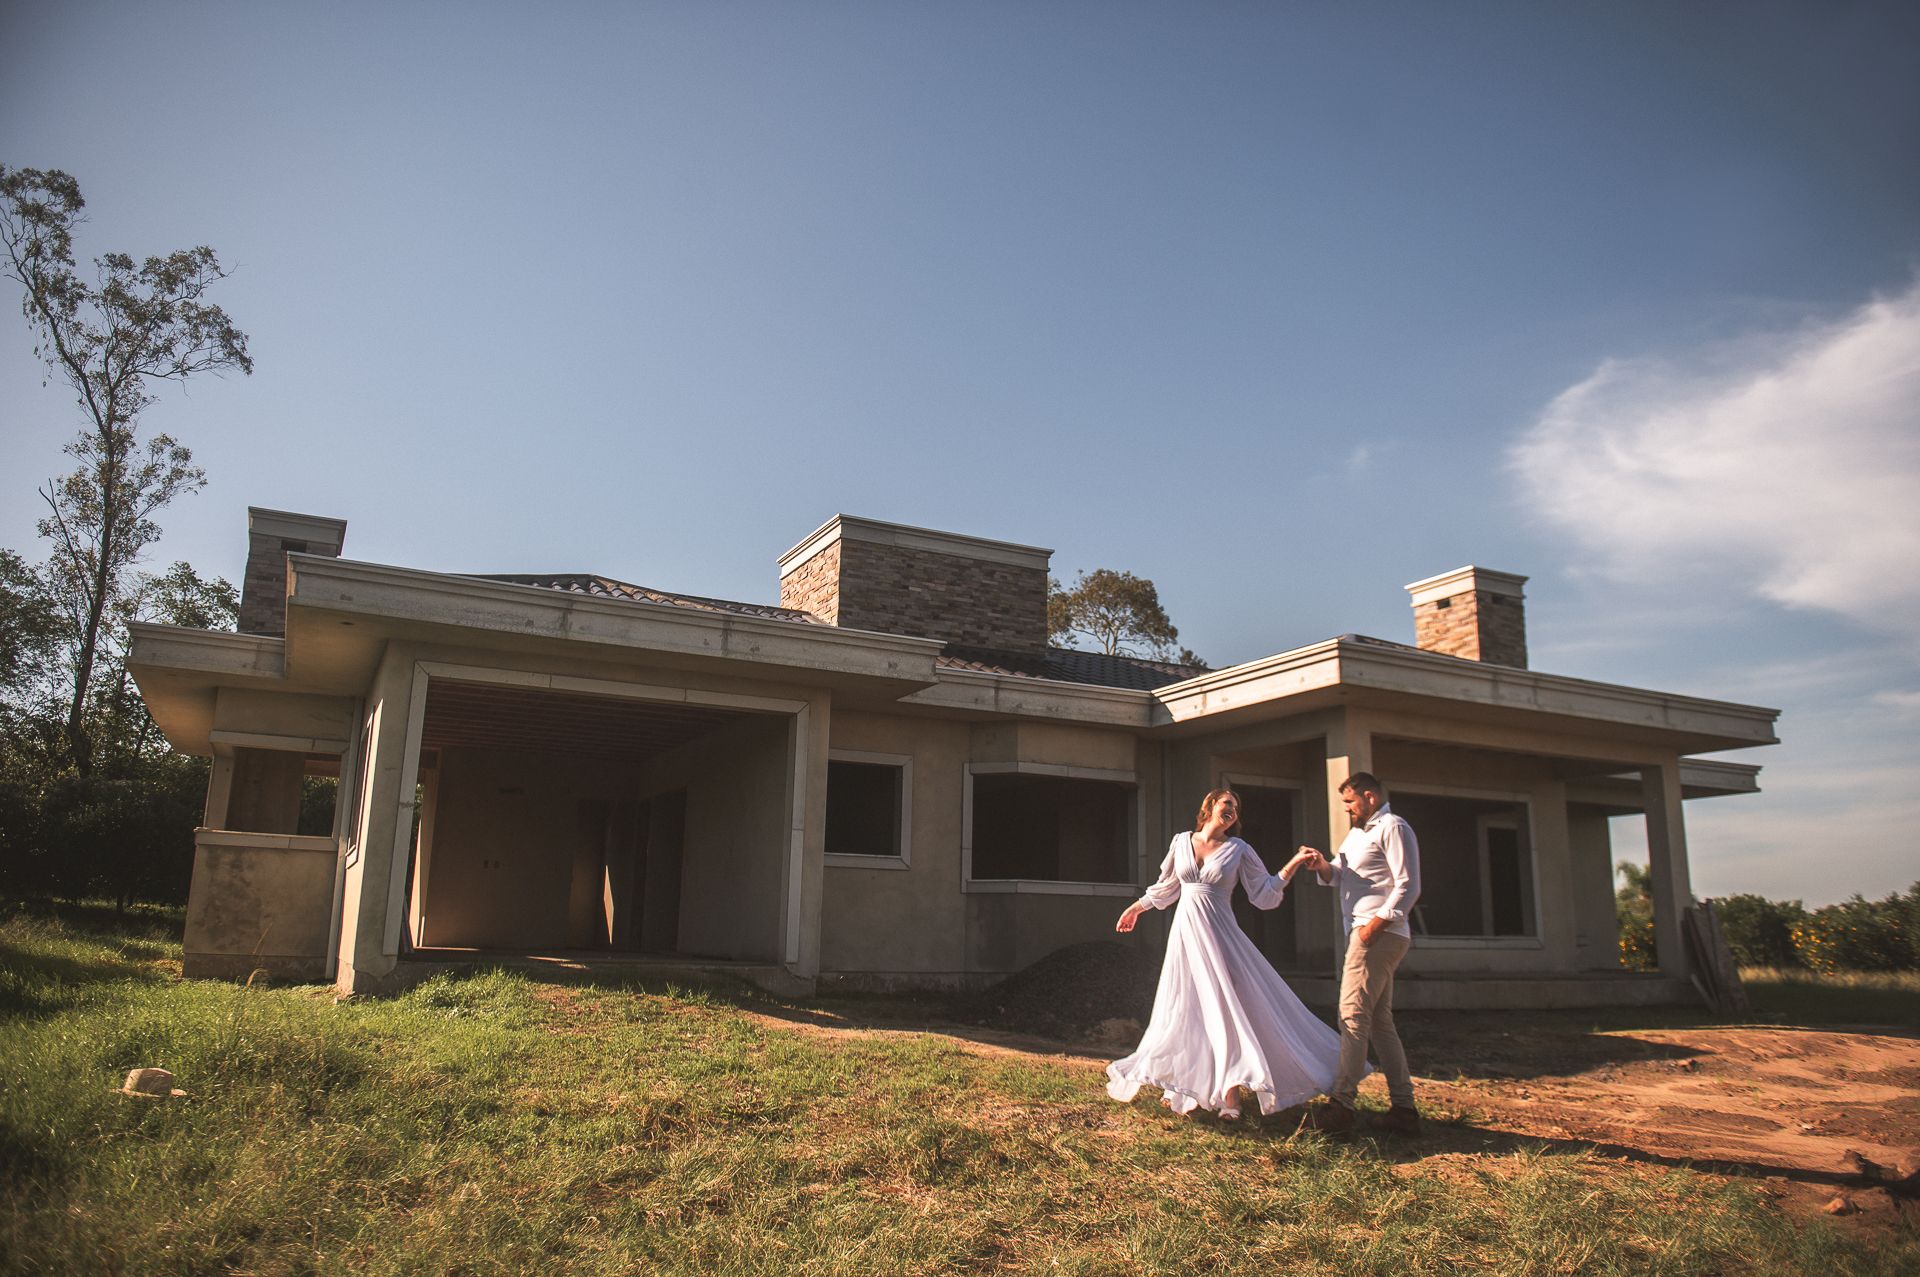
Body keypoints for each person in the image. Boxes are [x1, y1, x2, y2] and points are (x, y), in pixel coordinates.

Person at [1106, 788, 1346, 1121]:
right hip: (1186, 938)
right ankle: (1182, 1085)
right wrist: (1136, 908)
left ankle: (1231, 1095)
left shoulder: (1239, 849)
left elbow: (1263, 893)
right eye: (1226, 803)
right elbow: (1167, 887)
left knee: (1226, 1009)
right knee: (1186, 1006)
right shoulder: (1180, 842)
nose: (1232, 809)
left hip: (1220, 937)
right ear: (1210, 807)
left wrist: (1292, 863)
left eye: (1235, 806)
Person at [1296, 772, 1422, 1135]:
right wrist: (1322, 865)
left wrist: (1374, 926)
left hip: (1378, 935)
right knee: (1380, 1023)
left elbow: (1408, 884)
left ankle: (1341, 1105)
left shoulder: (1393, 827)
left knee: (1351, 1015)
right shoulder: (1357, 834)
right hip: (1367, 933)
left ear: (1369, 796)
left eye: (1350, 802)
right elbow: (1341, 875)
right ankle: (1404, 1109)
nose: (1347, 809)